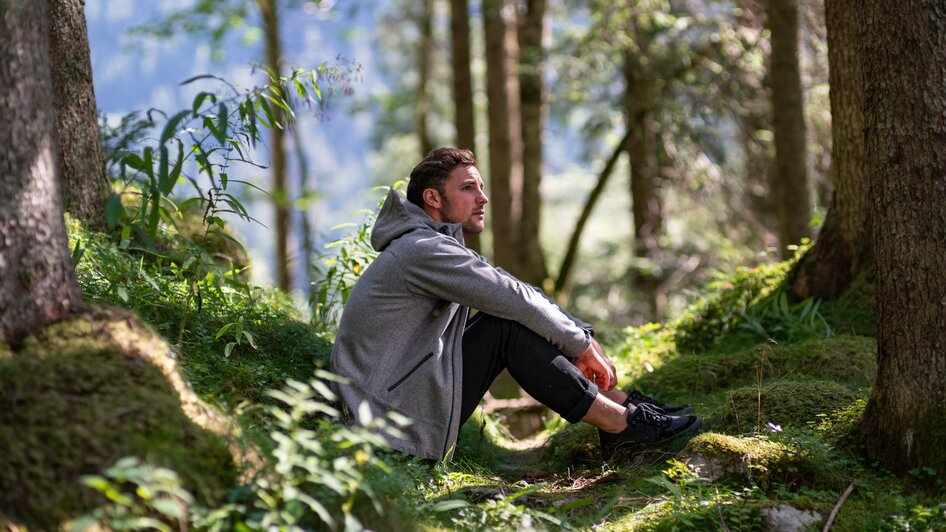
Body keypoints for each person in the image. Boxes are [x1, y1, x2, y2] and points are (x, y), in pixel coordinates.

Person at [330, 148, 700, 461]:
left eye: (482, 188)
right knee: (507, 327)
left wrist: (579, 336)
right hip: (386, 423)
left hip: (397, 401)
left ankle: (626, 408)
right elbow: (512, 298)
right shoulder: (422, 251)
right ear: (432, 197)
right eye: (469, 188)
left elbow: (512, 289)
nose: (483, 198)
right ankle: (621, 426)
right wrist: (581, 343)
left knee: (516, 318)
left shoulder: (432, 245)